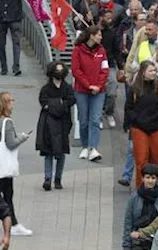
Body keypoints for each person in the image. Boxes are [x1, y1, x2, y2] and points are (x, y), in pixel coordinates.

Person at [125, 60, 158, 187]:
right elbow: (128, 108)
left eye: (154, 71)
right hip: (139, 128)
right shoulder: (134, 89)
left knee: (156, 160)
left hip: (157, 128)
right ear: (143, 72)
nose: (154, 73)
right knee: (141, 160)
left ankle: (153, 188)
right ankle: (141, 189)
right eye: (151, 71)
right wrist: (132, 121)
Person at [71, 25, 109, 162]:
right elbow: (76, 71)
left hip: (99, 91)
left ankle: (93, 147)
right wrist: (88, 85)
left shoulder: (102, 51)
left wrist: (98, 85)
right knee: (83, 120)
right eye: (99, 35)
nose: (101, 37)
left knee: (95, 119)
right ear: (92, 36)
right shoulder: (78, 51)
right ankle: (85, 146)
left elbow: (105, 70)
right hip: (82, 91)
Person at [36, 61, 75, 190]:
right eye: (56, 70)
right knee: (48, 151)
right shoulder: (45, 89)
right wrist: (60, 104)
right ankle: (48, 179)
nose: (59, 72)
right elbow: (43, 102)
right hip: (48, 122)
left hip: (64, 122)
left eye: (61, 70)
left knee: (61, 151)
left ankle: (58, 179)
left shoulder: (67, 87)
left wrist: (54, 105)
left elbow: (71, 100)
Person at [0, 91, 29, 235]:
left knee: (6, 195)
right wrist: (22, 138)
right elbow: (11, 144)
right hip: (4, 167)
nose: (13, 103)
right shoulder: (7, 122)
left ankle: (14, 224)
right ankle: (13, 225)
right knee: (8, 196)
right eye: (11, 100)